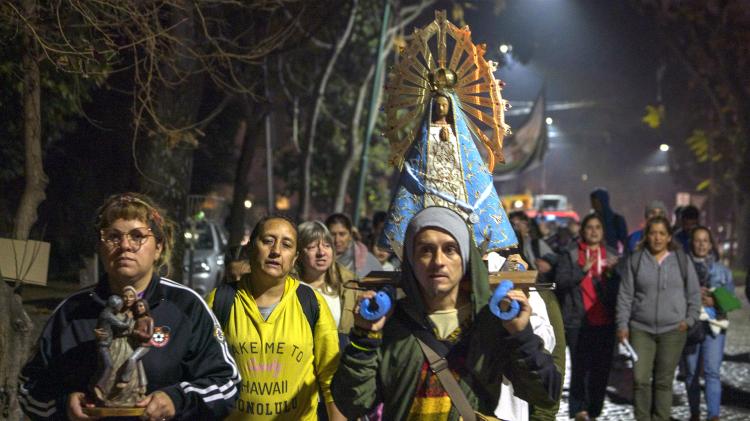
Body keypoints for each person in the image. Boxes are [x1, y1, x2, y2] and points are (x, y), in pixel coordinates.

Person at [19, 192, 239, 421]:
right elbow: (29, 388)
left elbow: (226, 383)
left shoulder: (186, 306)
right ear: (100, 247)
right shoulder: (72, 312)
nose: (125, 245)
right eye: (113, 236)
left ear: (159, 248)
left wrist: (177, 399)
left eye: (137, 236)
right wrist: (64, 405)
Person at [332, 207, 561, 420]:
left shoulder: (490, 323)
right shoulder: (392, 324)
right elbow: (353, 403)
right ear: (412, 261)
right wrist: (364, 338)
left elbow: (544, 395)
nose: (438, 261)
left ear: (464, 259)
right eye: (426, 250)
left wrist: (522, 336)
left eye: (450, 249)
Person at [208, 215, 344, 421]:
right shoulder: (219, 301)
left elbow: (330, 375)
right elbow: (199, 370)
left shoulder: (311, 303)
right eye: (268, 241)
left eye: (286, 245)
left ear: (295, 258)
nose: (276, 251)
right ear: (251, 248)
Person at [616, 215, 701, 421]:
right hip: (640, 329)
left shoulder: (681, 259)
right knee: (640, 379)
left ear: (669, 236)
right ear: (647, 236)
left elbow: (694, 293)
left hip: (673, 330)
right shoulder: (636, 259)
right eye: (653, 233)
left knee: (664, 382)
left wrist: (689, 320)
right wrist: (622, 324)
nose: (657, 238)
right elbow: (625, 295)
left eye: (662, 233)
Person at [556, 214, 620, 421]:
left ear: (602, 232)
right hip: (578, 321)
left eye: (598, 227)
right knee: (580, 368)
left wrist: (613, 273)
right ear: (583, 231)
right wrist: (581, 271)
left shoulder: (611, 254)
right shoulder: (572, 254)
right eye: (589, 227)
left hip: (605, 320)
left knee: (601, 370)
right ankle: (578, 409)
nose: (593, 231)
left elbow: (622, 287)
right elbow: (561, 281)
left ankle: (594, 409)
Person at [682, 226, 734, 421]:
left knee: (712, 371)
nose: (702, 244)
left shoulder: (722, 271)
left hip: (715, 326)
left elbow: (731, 301)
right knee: (691, 373)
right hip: (691, 324)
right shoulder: (682, 268)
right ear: (691, 243)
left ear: (711, 244)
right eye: (697, 240)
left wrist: (715, 301)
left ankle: (714, 415)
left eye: (705, 240)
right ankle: (694, 413)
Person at [295, 221, 358, 336]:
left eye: (327, 245)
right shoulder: (284, 288)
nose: (321, 252)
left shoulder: (349, 286)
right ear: (298, 253)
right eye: (312, 247)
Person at [326, 213, 382, 277]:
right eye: (332, 234)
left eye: (342, 234)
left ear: (350, 235)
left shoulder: (368, 262)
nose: (337, 239)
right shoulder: (317, 260)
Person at [590, 188, 628, 253]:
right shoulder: (591, 220)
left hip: (612, 259)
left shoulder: (617, 220)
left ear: (603, 202)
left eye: (595, 202)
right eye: (592, 203)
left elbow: (625, 243)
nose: (593, 206)